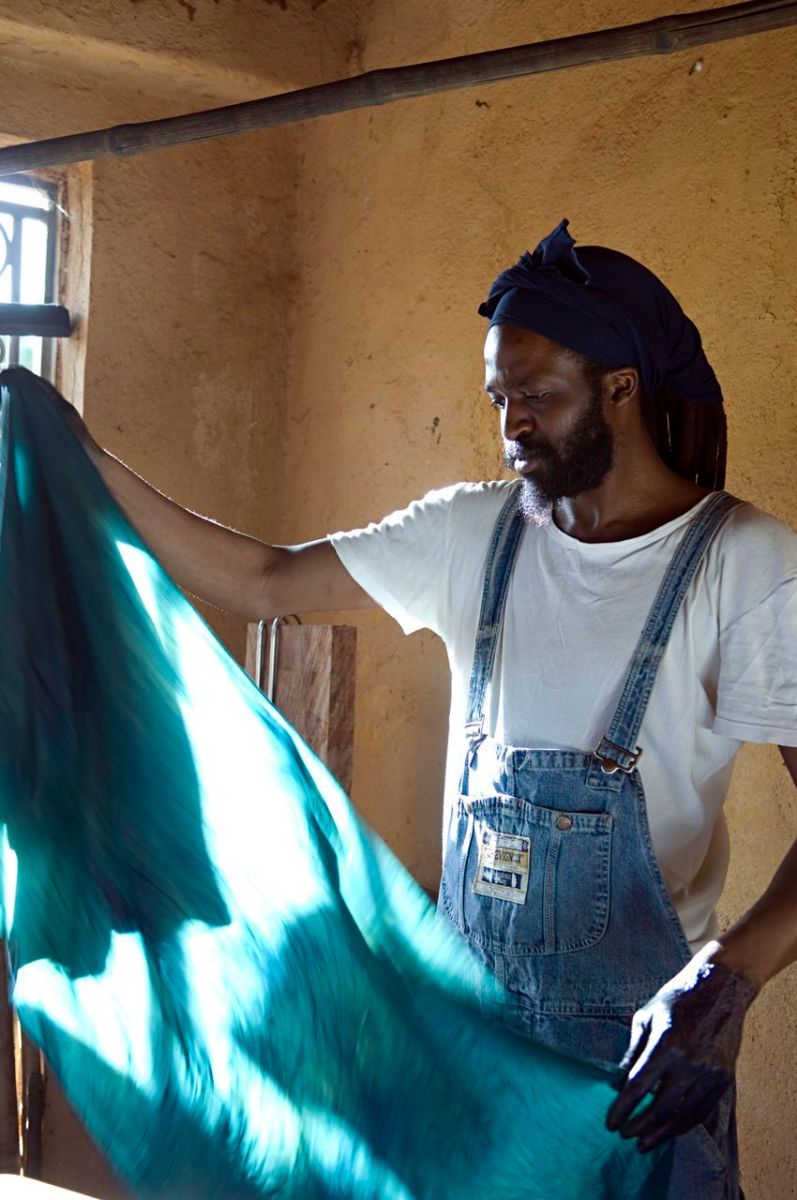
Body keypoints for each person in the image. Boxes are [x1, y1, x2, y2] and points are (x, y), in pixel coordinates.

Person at [58, 220, 796, 1198]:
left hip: (635, 1080)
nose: (509, 426)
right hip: (467, 1062)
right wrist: (79, 455)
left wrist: (726, 976)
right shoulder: (471, 534)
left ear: (620, 390)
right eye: (498, 399)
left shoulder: (741, 566)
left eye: (535, 397)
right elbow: (263, 580)